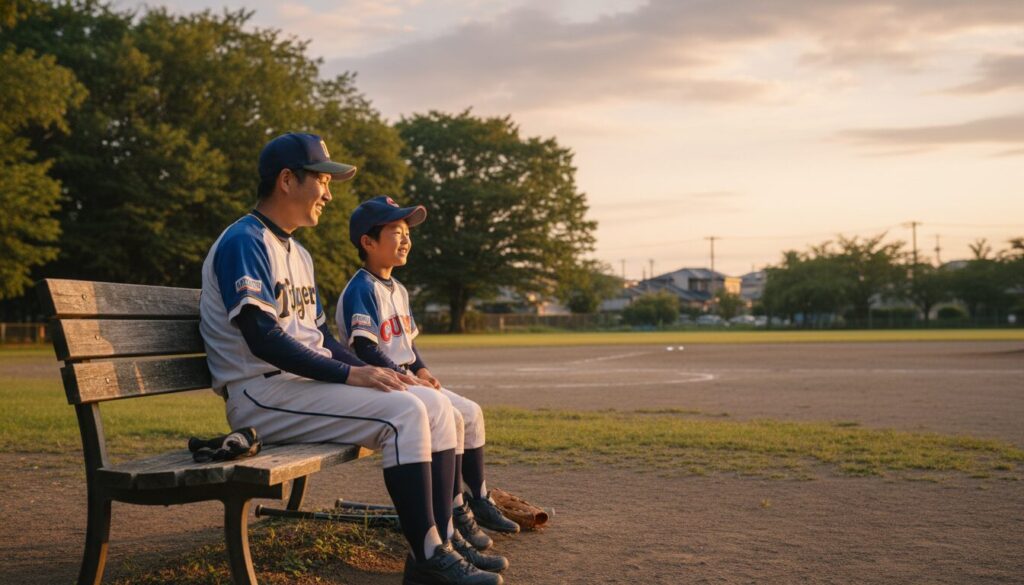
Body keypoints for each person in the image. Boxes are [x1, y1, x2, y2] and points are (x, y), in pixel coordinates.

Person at [199, 133, 503, 585]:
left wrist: (373, 371)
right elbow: (261, 338)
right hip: (260, 393)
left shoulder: (298, 253)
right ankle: (427, 557)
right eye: (322, 180)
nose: (328, 192)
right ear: (287, 180)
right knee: (403, 414)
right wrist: (349, 372)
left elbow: (320, 338)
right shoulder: (245, 241)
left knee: (432, 404)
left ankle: (438, 543)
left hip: (296, 387)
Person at [337, 196, 521, 554]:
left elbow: (409, 345)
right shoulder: (361, 287)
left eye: (407, 233)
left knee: (470, 411)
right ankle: (451, 513)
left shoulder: (399, 289)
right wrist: (408, 377)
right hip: (382, 379)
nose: (406, 239)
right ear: (368, 242)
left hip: (406, 376)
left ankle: (475, 499)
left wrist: (422, 369)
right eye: (395, 232)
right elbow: (365, 349)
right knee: (448, 415)